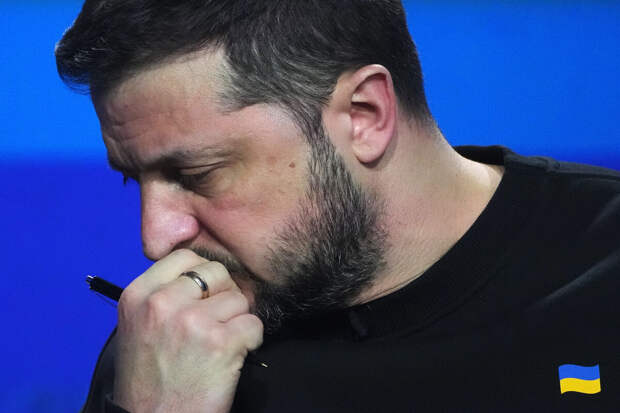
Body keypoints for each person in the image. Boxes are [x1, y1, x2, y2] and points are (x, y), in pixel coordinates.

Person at [55, 1, 620, 412]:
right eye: (133, 179)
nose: (155, 239)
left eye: (196, 174)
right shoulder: (169, 352)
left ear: (364, 115)